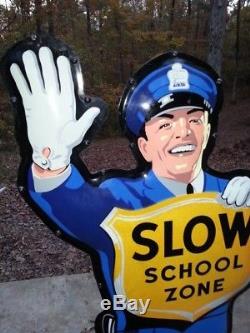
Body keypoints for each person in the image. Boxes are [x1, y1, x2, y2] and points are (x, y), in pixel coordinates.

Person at [3, 36, 250, 333]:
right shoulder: (121, 200)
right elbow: (67, 201)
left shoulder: (237, 197)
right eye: (166, 123)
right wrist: (51, 161)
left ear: (208, 132)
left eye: (195, 119)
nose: (183, 132)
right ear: (144, 146)